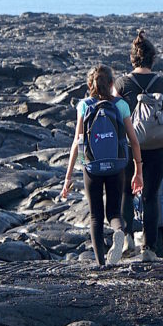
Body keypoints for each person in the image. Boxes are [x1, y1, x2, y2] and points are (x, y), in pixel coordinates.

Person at [61, 64, 143, 266]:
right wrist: (138, 170)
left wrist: (70, 175)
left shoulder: (84, 106)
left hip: (92, 166)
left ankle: (100, 263)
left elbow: (77, 141)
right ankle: (118, 231)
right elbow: (134, 140)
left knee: (96, 216)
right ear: (111, 84)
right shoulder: (120, 105)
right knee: (114, 212)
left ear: (90, 85)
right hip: (117, 165)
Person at [114, 30, 163, 261]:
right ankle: (149, 249)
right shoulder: (162, 83)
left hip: (129, 146)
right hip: (158, 146)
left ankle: (126, 237)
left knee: (124, 192)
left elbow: (115, 116)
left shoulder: (121, 84)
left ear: (132, 58)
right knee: (151, 195)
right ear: (152, 58)